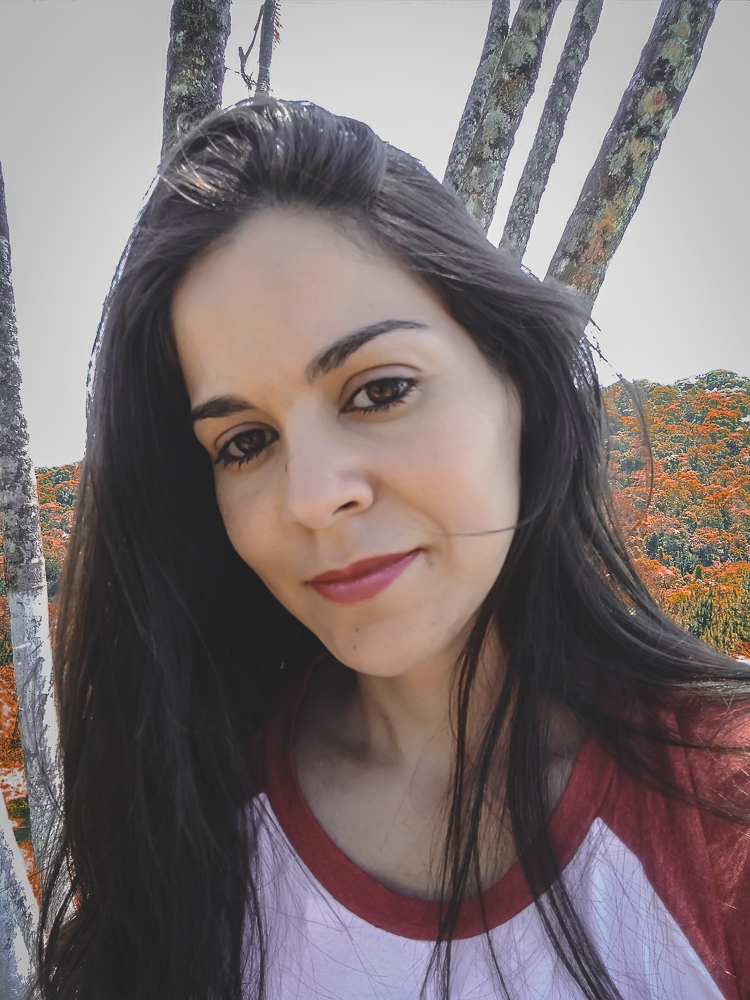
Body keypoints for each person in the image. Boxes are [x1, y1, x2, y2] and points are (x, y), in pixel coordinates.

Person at [38, 100, 749, 1000]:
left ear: (515, 381)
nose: (311, 497)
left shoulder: (722, 807)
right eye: (244, 443)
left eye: (378, 391)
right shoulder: (185, 832)